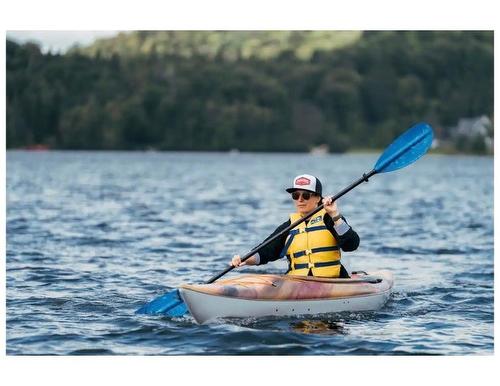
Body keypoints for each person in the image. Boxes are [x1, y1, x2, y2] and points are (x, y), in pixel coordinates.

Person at [230, 174, 359, 278]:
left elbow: (351, 245)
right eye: (296, 195)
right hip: (297, 282)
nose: (300, 200)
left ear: (318, 198)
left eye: (306, 195)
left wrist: (335, 215)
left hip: (332, 283)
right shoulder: (289, 226)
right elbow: (266, 251)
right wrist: (244, 259)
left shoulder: (330, 219)